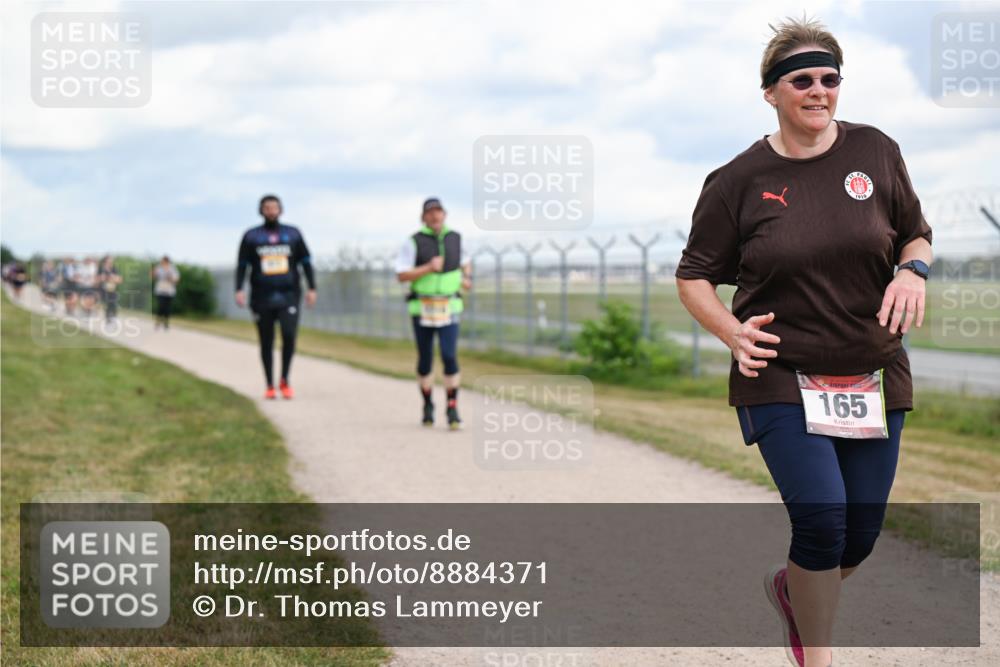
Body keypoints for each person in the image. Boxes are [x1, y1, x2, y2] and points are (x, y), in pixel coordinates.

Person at [675, 16, 932, 667]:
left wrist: (912, 270)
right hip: (780, 372)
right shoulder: (737, 180)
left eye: (830, 79)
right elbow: (694, 275)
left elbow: (915, 233)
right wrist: (730, 330)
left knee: (858, 538)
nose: (819, 91)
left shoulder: (876, 152)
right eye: (802, 80)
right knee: (822, 521)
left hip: (872, 371)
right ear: (771, 92)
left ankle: (793, 588)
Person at [395, 198, 472, 429]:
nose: (435, 216)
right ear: (423, 217)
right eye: (430, 213)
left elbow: (466, 261)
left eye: (438, 212)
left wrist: (467, 277)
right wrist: (428, 268)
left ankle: (452, 406)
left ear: (445, 214)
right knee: (426, 358)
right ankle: (428, 403)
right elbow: (401, 275)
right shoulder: (413, 242)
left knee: (449, 355)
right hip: (423, 308)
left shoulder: (456, 238)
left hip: (450, 306)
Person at [235, 194, 316, 400]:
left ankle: (285, 379)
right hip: (262, 296)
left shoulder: (293, 234)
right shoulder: (252, 236)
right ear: (261, 210)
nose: (271, 211)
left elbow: (306, 263)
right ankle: (270, 384)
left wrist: (312, 287)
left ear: (280, 209)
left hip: (289, 295)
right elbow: (242, 266)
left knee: (289, 335)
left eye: (274, 207)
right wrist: (239, 289)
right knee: (266, 341)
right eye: (267, 207)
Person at [152, 256, 180, 330]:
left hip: (169, 291)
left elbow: (176, 280)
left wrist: (170, 277)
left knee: (167, 308)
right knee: (161, 306)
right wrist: (153, 271)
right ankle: (158, 321)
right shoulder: (159, 268)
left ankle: (166, 322)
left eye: (163, 261)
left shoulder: (173, 269)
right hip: (160, 290)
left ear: (167, 261)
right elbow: (153, 276)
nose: (162, 262)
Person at [99, 256, 123, 322]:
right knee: (107, 303)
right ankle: (108, 317)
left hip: (113, 289)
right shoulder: (101, 269)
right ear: (105, 262)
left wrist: (112, 278)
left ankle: (113, 316)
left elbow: (120, 279)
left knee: (113, 303)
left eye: (111, 261)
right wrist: (106, 278)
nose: (110, 263)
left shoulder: (114, 269)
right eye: (108, 261)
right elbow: (98, 278)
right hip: (104, 289)